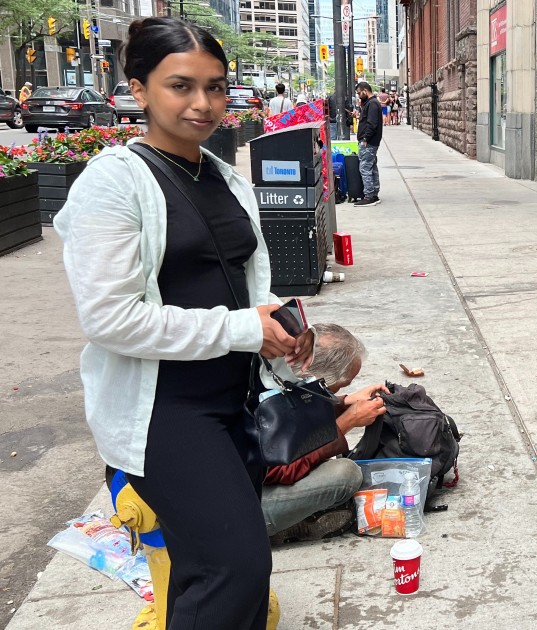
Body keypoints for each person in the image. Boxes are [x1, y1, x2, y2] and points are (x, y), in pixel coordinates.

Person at [54, 17, 311, 629]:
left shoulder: (222, 177)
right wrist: (244, 329)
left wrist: (276, 323)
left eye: (217, 87)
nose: (204, 103)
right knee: (234, 566)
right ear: (138, 90)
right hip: (165, 412)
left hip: (234, 400)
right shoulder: (114, 181)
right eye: (181, 86)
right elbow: (110, 319)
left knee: (208, 570)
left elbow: (242, 282)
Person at [262, 323, 387, 544]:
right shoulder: (264, 398)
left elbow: (299, 408)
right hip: (244, 506)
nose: (339, 390)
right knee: (345, 474)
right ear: (315, 378)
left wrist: (343, 402)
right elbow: (282, 469)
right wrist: (346, 423)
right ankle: (279, 526)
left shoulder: (280, 374)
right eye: (339, 386)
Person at [354, 81, 382, 207]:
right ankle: (374, 193)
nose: (359, 95)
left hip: (369, 142)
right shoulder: (371, 103)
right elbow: (368, 121)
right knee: (371, 167)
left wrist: (365, 138)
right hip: (371, 141)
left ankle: (369, 195)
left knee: (365, 168)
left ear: (365, 90)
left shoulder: (372, 104)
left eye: (359, 93)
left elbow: (372, 124)